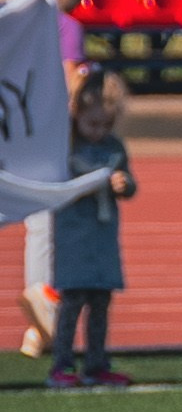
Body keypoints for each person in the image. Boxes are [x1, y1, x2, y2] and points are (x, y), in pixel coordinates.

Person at [15, 0, 91, 359]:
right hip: (40, 135)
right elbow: (69, 85)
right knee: (43, 226)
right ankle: (40, 299)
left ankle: (36, 335)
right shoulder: (63, 24)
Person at [46, 66, 136, 389]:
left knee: (100, 302)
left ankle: (96, 364)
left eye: (105, 125)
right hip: (74, 238)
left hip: (102, 239)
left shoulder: (114, 148)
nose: (98, 131)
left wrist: (123, 184)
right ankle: (62, 364)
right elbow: (54, 183)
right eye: (91, 123)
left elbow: (130, 186)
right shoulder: (66, 147)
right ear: (76, 113)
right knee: (72, 302)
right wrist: (85, 184)